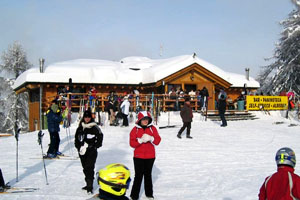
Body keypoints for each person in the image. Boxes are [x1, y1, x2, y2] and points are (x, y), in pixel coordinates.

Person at [129, 111, 161, 200]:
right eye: (143, 119)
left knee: (148, 175)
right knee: (138, 176)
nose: (145, 121)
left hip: (150, 156)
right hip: (138, 156)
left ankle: (149, 194)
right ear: (139, 120)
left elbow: (158, 141)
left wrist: (151, 138)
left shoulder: (152, 129)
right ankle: (134, 195)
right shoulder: (134, 129)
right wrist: (139, 141)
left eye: (147, 119)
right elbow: (131, 143)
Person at [74, 110, 104, 194]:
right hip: (82, 151)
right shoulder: (80, 127)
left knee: (90, 167)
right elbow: (76, 139)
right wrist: (78, 147)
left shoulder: (94, 127)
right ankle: (88, 183)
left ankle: (90, 186)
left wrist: (96, 145)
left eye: (88, 117)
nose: (87, 119)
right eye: (86, 117)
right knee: (85, 168)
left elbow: (100, 136)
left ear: (91, 118)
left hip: (91, 151)